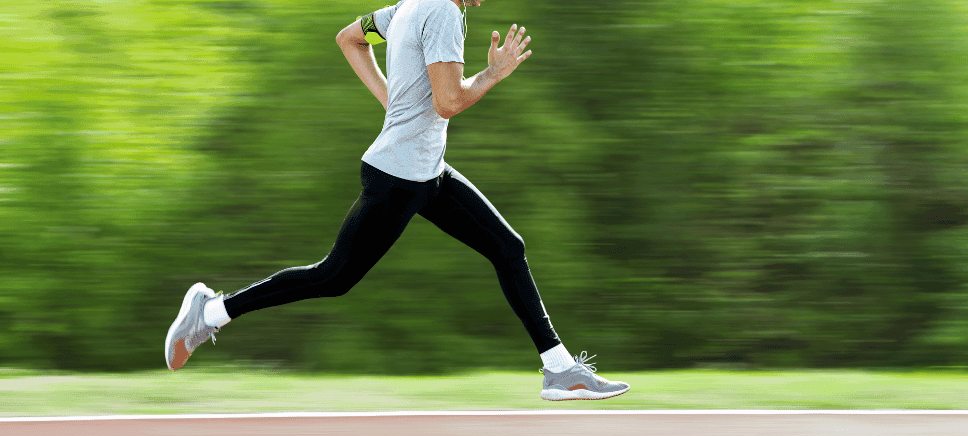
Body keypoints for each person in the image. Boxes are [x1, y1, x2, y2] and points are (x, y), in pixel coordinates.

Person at [165, 0, 629, 401]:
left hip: (427, 173)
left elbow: (350, 38)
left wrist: (394, 101)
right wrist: (494, 72)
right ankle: (209, 312)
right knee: (333, 276)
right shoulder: (444, 12)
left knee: (508, 248)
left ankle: (560, 369)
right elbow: (449, 102)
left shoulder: (405, 7)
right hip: (399, 178)